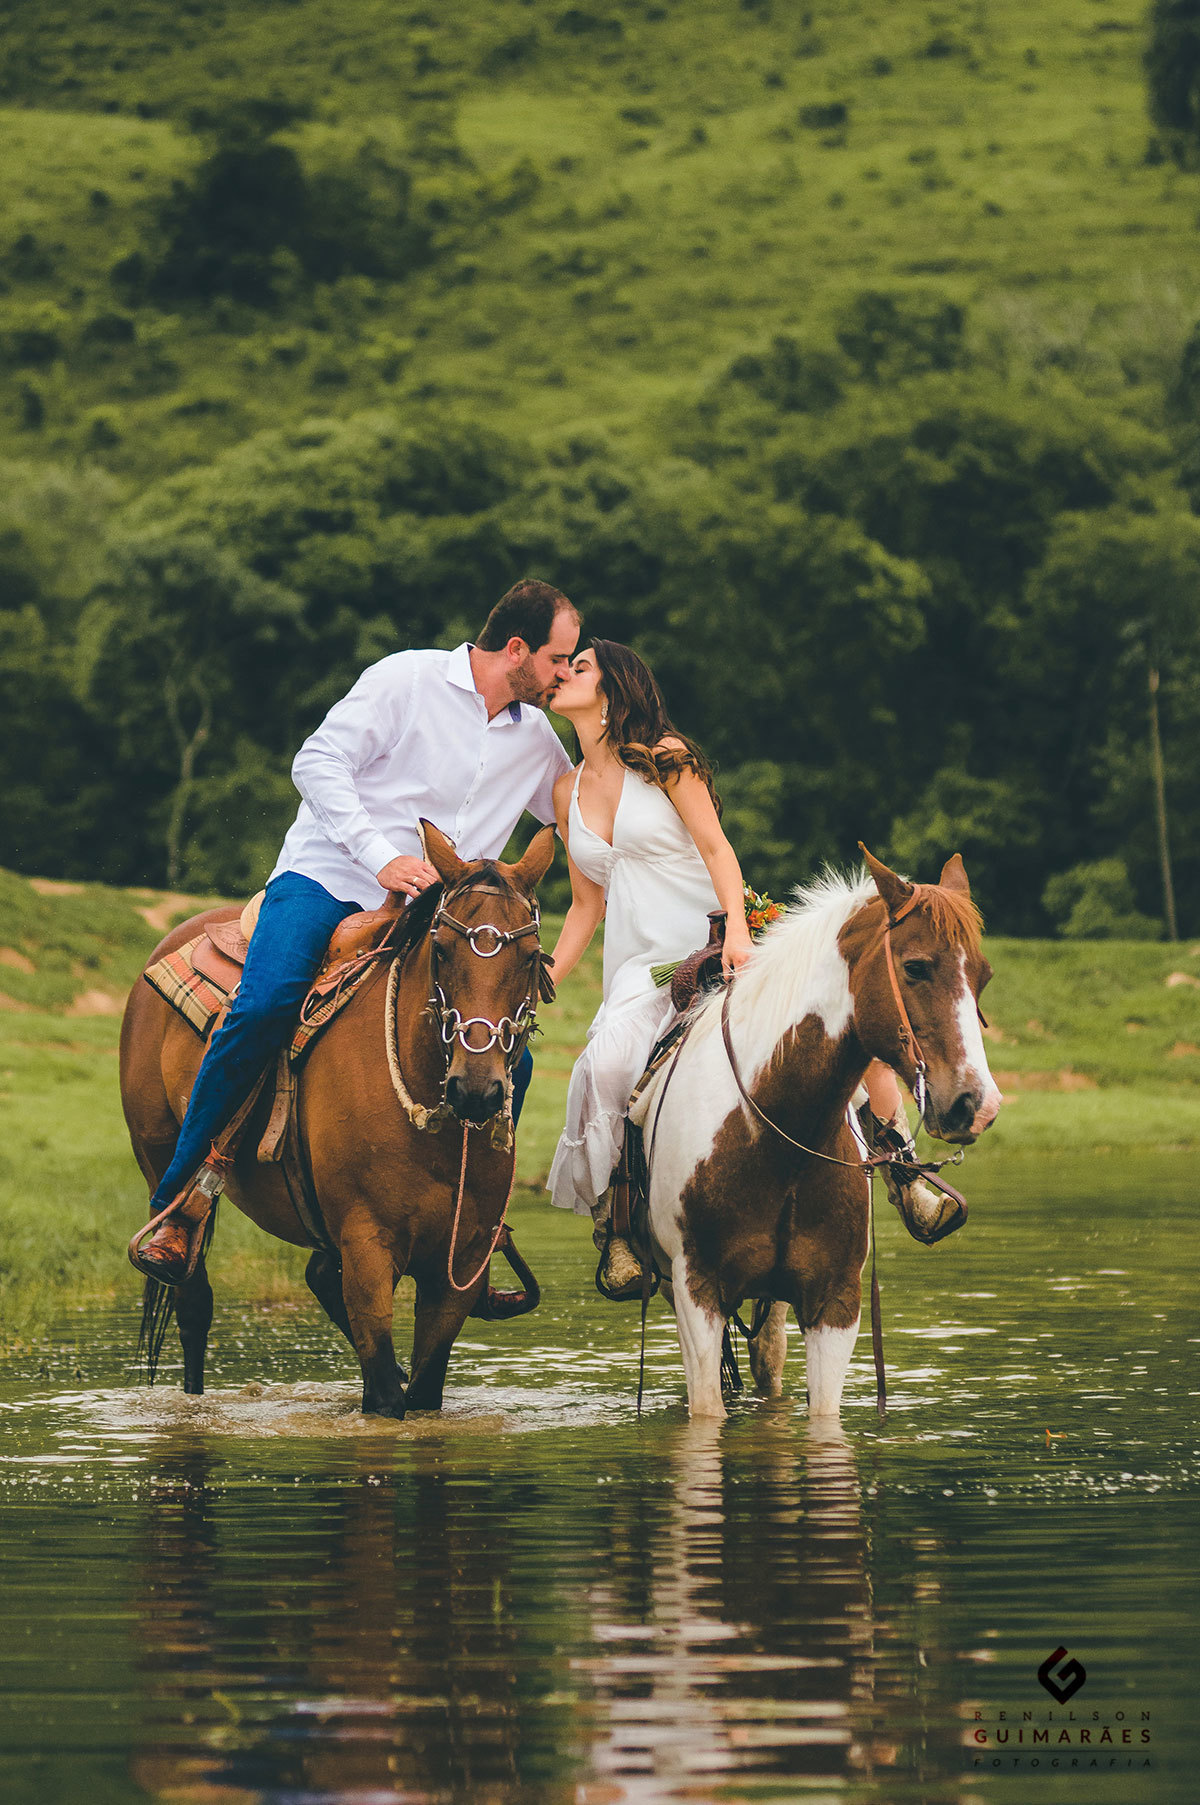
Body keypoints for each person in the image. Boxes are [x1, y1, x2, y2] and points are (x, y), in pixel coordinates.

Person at [138, 579, 580, 1280]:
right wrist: (382, 857)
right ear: (517, 649)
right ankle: (180, 1204)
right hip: (328, 877)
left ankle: (475, 1224)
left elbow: (582, 818)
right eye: (559, 659)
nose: (564, 673)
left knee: (512, 1059)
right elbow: (316, 762)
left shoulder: (537, 740)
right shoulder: (406, 679)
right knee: (264, 1006)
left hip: (438, 917)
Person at [544, 640, 755, 1296]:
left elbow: (717, 848)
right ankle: (617, 1226)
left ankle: (900, 1166)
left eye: (580, 667)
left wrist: (739, 930)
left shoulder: (666, 758)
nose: (563, 673)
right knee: (606, 1065)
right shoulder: (565, 790)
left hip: (708, 942)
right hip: (641, 966)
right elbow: (586, 905)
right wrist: (542, 976)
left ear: (613, 691)